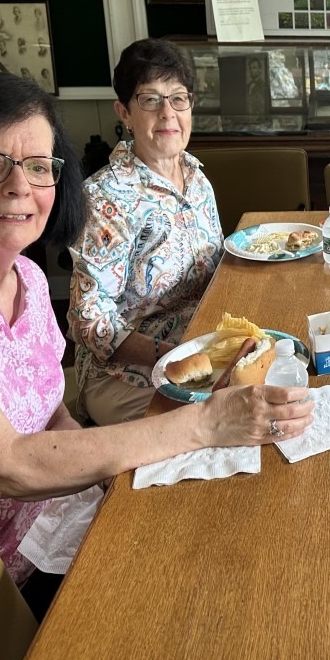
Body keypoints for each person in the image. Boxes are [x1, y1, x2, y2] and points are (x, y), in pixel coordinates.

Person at [0, 73, 313, 617]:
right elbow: (3, 463)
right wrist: (202, 424)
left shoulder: (29, 283)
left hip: (44, 542)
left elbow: (51, 416)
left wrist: (111, 489)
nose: (20, 187)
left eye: (39, 167)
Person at [68, 39, 223, 426]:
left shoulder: (196, 178)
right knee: (223, 422)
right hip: (124, 374)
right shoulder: (106, 198)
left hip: (201, 347)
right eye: (150, 99)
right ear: (125, 112)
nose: (168, 112)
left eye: (178, 98)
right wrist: (171, 355)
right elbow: (88, 321)